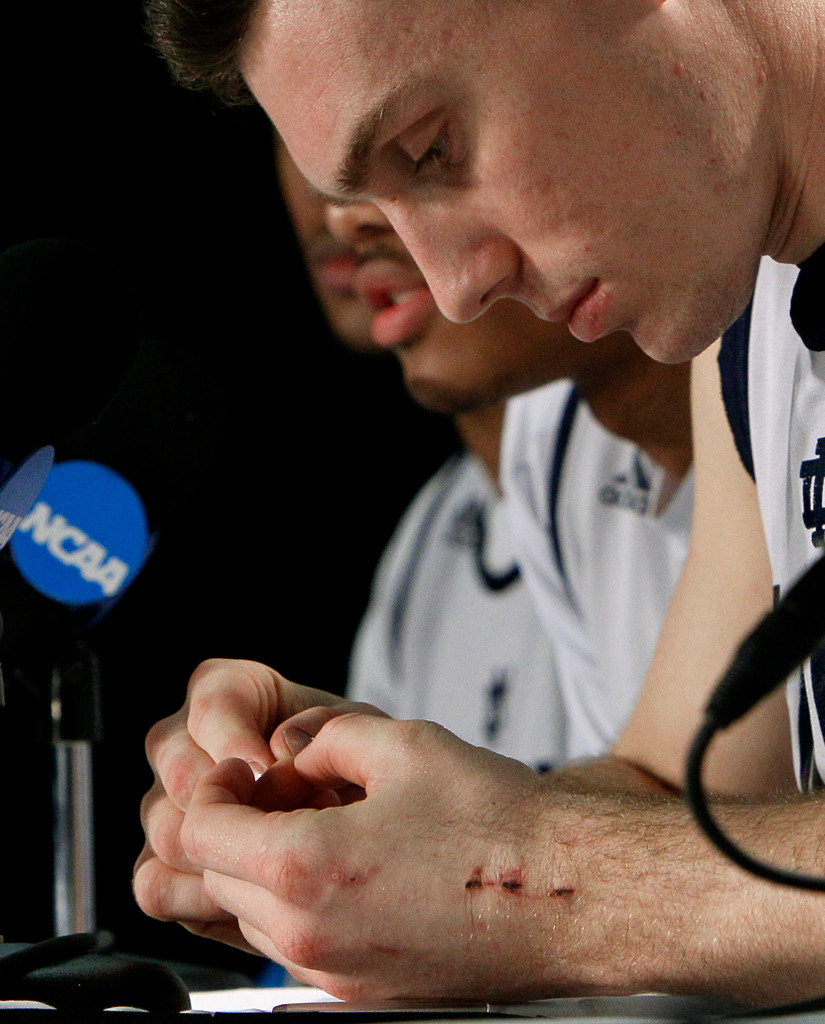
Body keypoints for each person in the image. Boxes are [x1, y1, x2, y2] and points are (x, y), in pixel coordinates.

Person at [135, 0, 825, 1006]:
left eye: (432, 149)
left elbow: (626, 869)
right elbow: (696, 804)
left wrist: (526, 881)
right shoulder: (753, 303)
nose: (454, 287)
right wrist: (365, 834)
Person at [278, 139, 691, 767]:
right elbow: (674, 807)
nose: (340, 212)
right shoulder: (505, 477)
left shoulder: (772, 361)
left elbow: (690, 812)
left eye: (427, 138)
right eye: (287, 134)